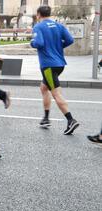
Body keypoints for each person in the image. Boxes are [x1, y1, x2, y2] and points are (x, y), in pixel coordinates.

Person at [30, 5, 79, 135]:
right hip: (59, 64)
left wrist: (32, 42)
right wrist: (58, 47)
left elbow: (38, 43)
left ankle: (71, 120)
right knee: (43, 88)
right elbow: (70, 40)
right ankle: (46, 118)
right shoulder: (58, 25)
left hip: (48, 66)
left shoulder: (38, 27)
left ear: (39, 14)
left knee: (56, 93)